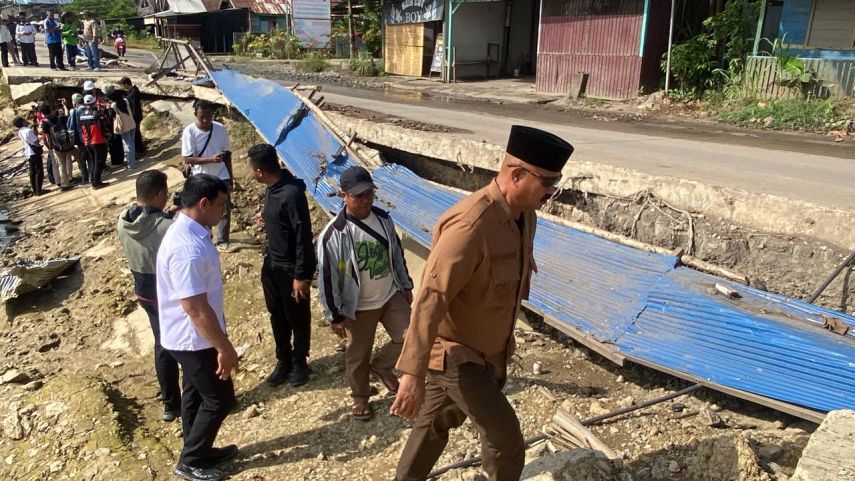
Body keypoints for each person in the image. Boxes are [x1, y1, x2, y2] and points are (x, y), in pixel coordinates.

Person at [390, 125, 574, 481]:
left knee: (436, 422)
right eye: (548, 182)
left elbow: (506, 287)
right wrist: (411, 373)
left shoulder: (525, 216)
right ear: (516, 174)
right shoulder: (470, 227)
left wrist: (506, 336)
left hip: (487, 352)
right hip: (456, 354)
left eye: (556, 182)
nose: (552, 191)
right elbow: (430, 299)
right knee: (505, 440)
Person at [156, 174, 239, 481]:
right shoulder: (187, 248)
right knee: (220, 399)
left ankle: (198, 449)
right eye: (221, 205)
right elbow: (195, 308)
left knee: (195, 394)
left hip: (188, 336)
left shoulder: (191, 232)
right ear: (203, 204)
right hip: (193, 339)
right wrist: (225, 348)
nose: (224, 211)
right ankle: (189, 461)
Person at [317, 166, 413, 420]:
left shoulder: (383, 219)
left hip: (389, 294)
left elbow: (396, 254)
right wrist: (335, 315)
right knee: (358, 355)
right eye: (359, 196)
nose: (366, 200)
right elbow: (328, 278)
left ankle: (382, 366)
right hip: (358, 305)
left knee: (412, 336)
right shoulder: (334, 235)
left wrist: (406, 285)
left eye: (370, 194)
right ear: (343, 196)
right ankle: (360, 397)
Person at [246, 144, 316, 388]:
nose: (251, 173)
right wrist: (267, 217)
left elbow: (302, 236)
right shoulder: (271, 189)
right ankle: (283, 360)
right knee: (277, 315)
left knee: (297, 317)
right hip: (272, 265)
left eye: (251, 169)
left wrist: (301, 275)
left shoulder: (291, 193)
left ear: (260, 171)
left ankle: (300, 362)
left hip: (290, 269)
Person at [117, 170, 182, 422]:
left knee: (161, 344)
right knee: (184, 345)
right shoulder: (168, 227)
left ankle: (170, 404)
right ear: (158, 193)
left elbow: (146, 221)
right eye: (164, 193)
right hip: (167, 292)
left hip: (143, 291)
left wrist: (166, 214)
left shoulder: (123, 220)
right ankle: (195, 397)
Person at [180, 100, 234, 252]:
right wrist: (210, 159)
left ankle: (223, 240)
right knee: (203, 209)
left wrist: (231, 176)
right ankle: (206, 237)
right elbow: (187, 158)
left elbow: (227, 154)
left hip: (220, 175)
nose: (206, 120)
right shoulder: (189, 132)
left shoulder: (220, 129)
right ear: (195, 114)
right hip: (201, 178)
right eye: (202, 117)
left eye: (209, 116)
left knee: (223, 207)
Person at [39, 101, 77, 190]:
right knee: (75, 156)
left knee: (61, 164)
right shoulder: (58, 117)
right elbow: (67, 117)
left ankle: (64, 184)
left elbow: (48, 136)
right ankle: (77, 176)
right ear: (50, 109)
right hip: (65, 143)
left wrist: (50, 146)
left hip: (56, 146)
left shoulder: (45, 123)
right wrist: (64, 106)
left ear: (42, 112)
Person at [78, 94, 109, 189]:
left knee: (93, 162)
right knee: (99, 162)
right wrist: (106, 135)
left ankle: (94, 181)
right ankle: (96, 183)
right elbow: (102, 127)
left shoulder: (81, 115)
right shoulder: (96, 113)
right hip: (98, 141)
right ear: (94, 102)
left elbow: (80, 128)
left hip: (87, 142)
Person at [14, 116, 45, 196]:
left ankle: (35, 189)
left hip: (28, 152)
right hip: (34, 152)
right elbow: (35, 141)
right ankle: (39, 190)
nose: (26, 120)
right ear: (22, 122)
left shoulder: (20, 131)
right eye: (24, 119)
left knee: (32, 172)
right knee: (38, 171)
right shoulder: (28, 130)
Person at [108, 88, 137, 169]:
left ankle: (131, 165)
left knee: (128, 145)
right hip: (131, 124)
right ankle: (133, 161)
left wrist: (108, 107)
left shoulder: (114, 105)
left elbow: (111, 115)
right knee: (132, 144)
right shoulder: (125, 100)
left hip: (124, 127)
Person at [66, 93, 89, 184]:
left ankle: (85, 177)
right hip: (89, 137)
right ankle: (92, 175)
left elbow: (70, 126)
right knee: (90, 157)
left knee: (81, 158)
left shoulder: (75, 112)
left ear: (75, 103)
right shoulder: (89, 109)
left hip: (80, 138)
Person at [120, 77, 145, 154]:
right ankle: (139, 149)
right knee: (137, 133)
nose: (124, 87)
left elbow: (134, 107)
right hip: (135, 116)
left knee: (136, 134)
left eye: (124, 85)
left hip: (135, 117)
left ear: (126, 84)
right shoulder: (132, 91)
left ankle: (139, 150)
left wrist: (132, 118)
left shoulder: (134, 93)